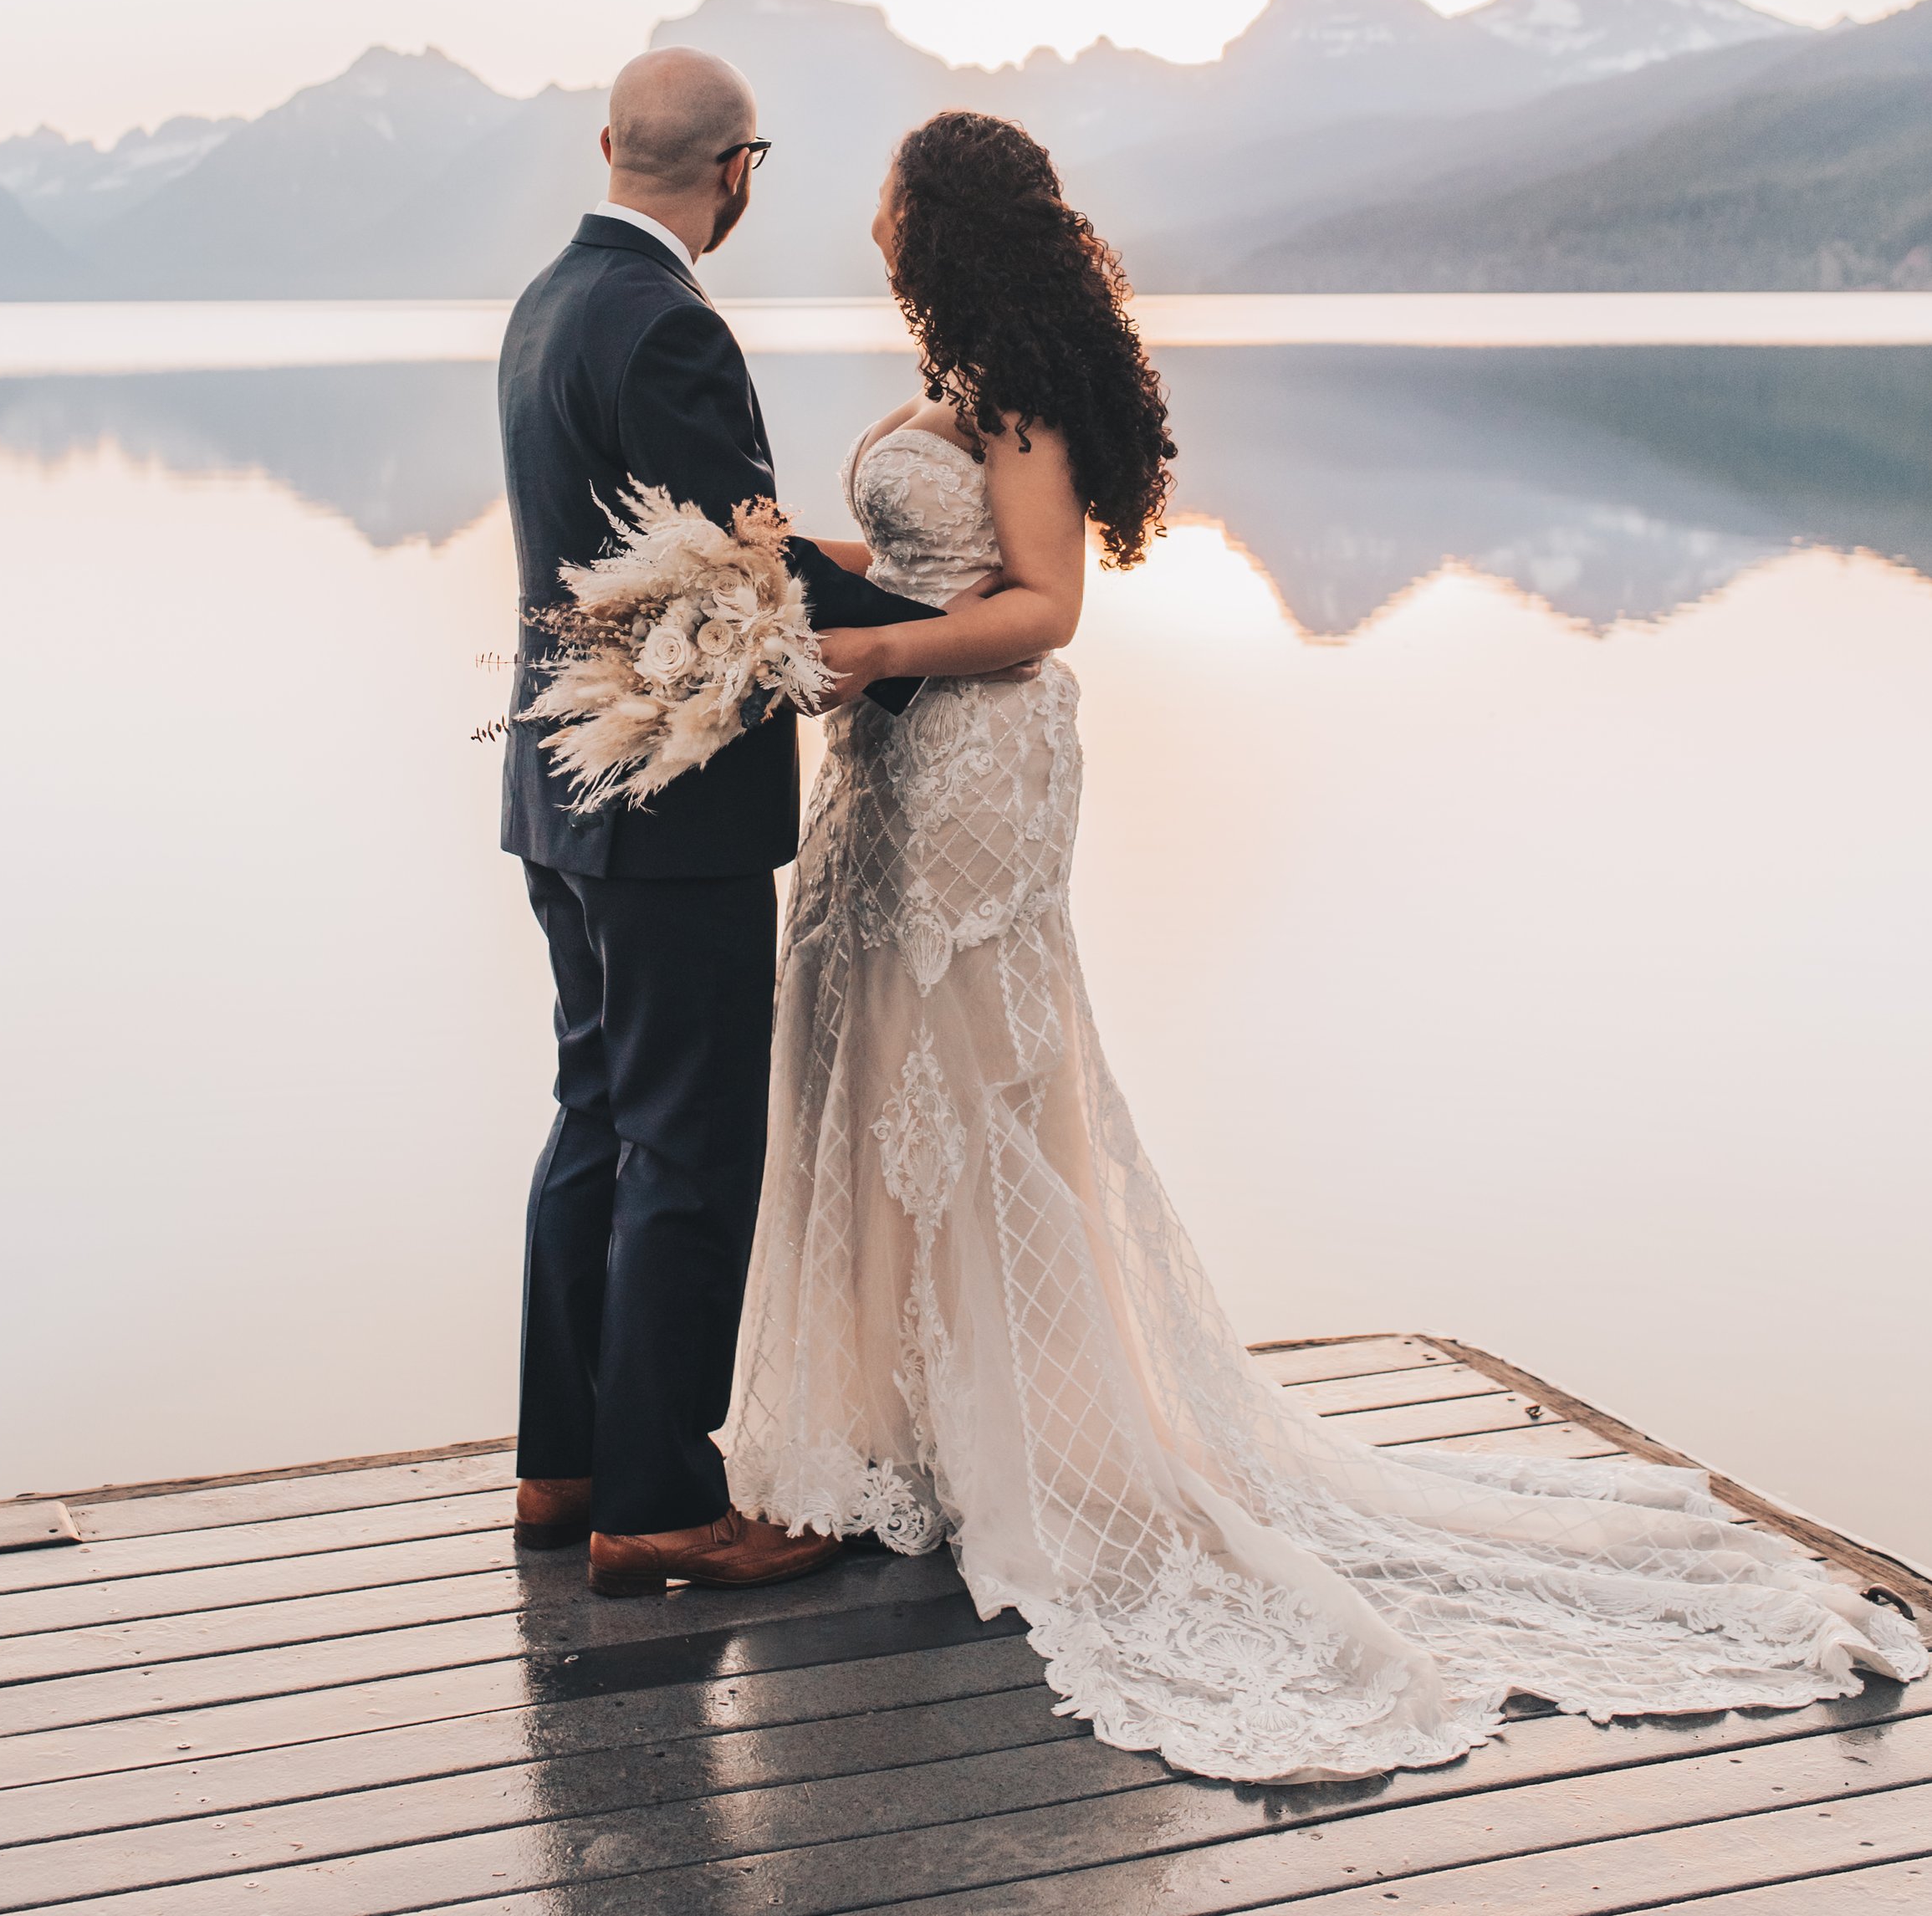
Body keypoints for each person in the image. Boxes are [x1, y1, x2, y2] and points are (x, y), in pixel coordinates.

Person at [723, 106, 1925, 1781]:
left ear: (939, 221)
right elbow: (940, 563)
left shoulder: (1014, 385)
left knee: (976, 1081)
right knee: (880, 1078)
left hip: (970, 765)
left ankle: (1031, 1451)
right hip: (888, 760)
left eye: (884, 191)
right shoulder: (964, 379)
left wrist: (870, 657)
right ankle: (910, 1432)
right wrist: (794, 575)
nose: (862, 212)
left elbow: (1046, 604)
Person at [496, 49, 1002, 1598]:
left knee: (596, 1113)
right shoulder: (670, 330)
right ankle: (656, 1500)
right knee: (692, 1145)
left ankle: (563, 1458)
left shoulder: (543, 306)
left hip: (563, 793)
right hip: (672, 810)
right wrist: (937, 629)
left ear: (606, 148)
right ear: (739, 172)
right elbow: (754, 565)